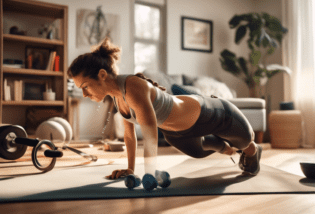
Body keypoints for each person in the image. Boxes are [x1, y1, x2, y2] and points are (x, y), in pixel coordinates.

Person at [68, 38, 262, 180]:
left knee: (245, 140)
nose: (84, 94)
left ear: (102, 75)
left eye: (85, 86)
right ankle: (226, 147)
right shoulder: (117, 98)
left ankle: (252, 151)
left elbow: (150, 133)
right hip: (177, 134)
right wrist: (130, 169)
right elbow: (129, 136)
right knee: (205, 151)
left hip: (211, 113)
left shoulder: (132, 86)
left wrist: (149, 173)